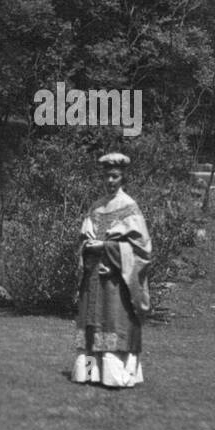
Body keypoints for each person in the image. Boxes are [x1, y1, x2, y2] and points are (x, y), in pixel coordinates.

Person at [72, 152, 151, 389]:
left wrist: (108, 248)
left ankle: (116, 376)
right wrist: (87, 246)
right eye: (106, 176)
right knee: (89, 327)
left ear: (123, 177)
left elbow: (142, 250)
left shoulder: (129, 208)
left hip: (116, 279)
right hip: (93, 277)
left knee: (114, 324)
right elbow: (82, 240)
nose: (110, 181)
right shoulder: (95, 208)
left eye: (115, 176)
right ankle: (89, 374)